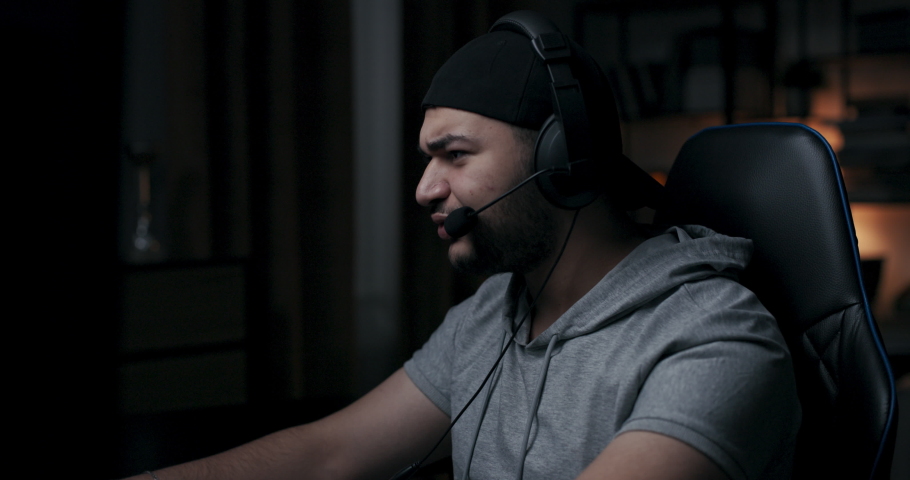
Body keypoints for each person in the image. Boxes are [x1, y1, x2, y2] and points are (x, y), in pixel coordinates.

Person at [127, 11, 800, 480]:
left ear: (563, 161)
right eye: (427, 160)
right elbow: (329, 456)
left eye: (453, 155)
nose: (424, 189)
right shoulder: (492, 316)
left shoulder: (712, 341)